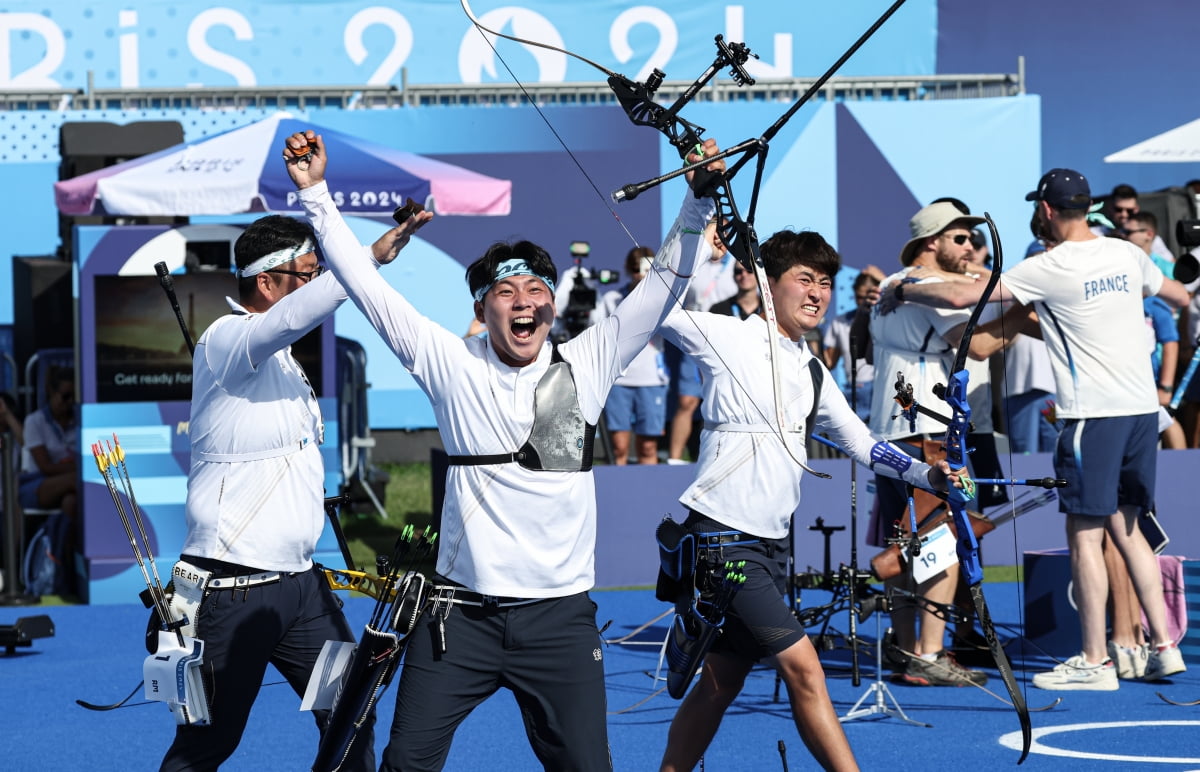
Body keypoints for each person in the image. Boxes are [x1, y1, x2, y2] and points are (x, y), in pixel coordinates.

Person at [284, 127, 725, 771]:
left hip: (560, 624)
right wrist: (316, 194)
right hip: (456, 621)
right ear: (483, 307)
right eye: (505, 292)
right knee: (406, 764)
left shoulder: (590, 360)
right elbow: (365, 287)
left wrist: (699, 201)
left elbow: (662, 286)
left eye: (536, 291)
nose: (524, 303)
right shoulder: (449, 362)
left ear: (552, 303)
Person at [656, 229, 955, 772]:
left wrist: (926, 476)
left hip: (770, 549)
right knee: (805, 670)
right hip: (723, 542)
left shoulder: (811, 368)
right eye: (804, 279)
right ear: (770, 287)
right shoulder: (727, 335)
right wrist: (699, 242)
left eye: (825, 282)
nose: (817, 293)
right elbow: (657, 302)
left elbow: (862, 442)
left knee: (720, 683)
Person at [886, 168, 1190, 690]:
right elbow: (1180, 296)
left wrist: (905, 289)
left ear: (1046, 211)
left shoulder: (1047, 266)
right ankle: (1163, 648)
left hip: (1092, 416)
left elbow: (966, 301)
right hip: (1141, 412)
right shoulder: (1126, 253)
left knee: (1084, 535)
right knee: (1129, 528)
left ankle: (1094, 660)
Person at [160, 212, 411, 770]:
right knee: (210, 742)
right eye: (308, 274)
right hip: (232, 591)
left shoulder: (282, 359)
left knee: (352, 712)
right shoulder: (227, 339)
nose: (317, 283)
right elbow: (293, 316)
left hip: (302, 591)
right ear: (267, 282)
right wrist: (364, 257)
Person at [867, 201, 1027, 687]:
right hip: (927, 435)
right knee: (943, 543)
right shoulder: (926, 290)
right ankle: (930, 654)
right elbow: (979, 346)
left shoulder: (900, 285)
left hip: (892, 433)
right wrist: (1026, 304)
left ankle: (905, 647)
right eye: (959, 239)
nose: (970, 247)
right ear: (932, 242)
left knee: (903, 545)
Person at [666, 219, 737, 463]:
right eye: (716, 231)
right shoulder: (694, 259)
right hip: (693, 339)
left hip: (726, 343)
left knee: (724, 400)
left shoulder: (738, 265)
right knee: (687, 401)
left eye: (725, 232)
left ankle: (718, 459)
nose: (720, 237)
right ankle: (675, 460)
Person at [600, 246, 670, 464]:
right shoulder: (612, 299)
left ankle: (649, 496)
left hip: (651, 380)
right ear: (628, 270)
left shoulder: (663, 299)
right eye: (636, 269)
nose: (640, 274)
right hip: (619, 379)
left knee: (648, 448)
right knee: (619, 447)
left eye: (647, 269)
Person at [19, 366, 78, 520]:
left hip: (70, 486)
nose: (70, 402)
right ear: (52, 392)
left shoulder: (80, 421)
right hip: (38, 483)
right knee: (78, 479)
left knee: (71, 502)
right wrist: (78, 467)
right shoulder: (35, 421)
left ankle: (64, 544)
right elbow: (46, 467)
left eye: (74, 397)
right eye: (66, 396)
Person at [822, 270, 879, 421]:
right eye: (859, 297)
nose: (862, 301)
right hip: (855, 391)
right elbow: (829, 362)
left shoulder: (888, 319)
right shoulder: (840, 322)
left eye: (867, 296)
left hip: (882, 391)